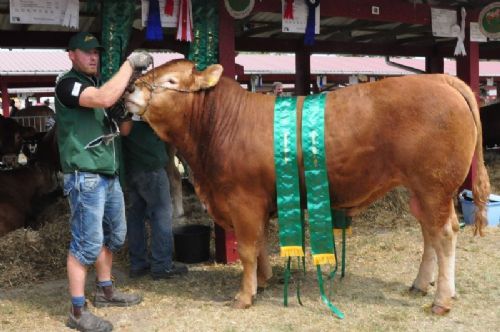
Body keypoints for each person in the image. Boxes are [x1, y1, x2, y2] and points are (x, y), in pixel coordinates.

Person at [55, 31, 153, 332]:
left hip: (107, 174)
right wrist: (129, 66)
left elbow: (123, 130)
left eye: (96, 51)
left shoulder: (98, 86)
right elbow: (105, 97)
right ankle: (77, 310)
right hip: (84, 176)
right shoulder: (67, 84)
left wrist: (125, 106)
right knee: (86, 244)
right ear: (71, 55)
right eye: (86, 52)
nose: (93, 56)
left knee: (115, 236)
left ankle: (106, 290)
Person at [121, 117, 188, 280]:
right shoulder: (142, 100)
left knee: (135, 216)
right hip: (150, 164)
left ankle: (138, 264)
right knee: (162, 214)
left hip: (132, 167)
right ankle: (162, 265)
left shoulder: (121, 106)